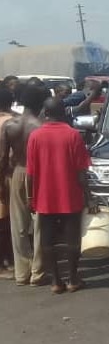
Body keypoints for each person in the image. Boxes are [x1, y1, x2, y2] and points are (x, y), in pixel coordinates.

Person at [27, 97, 97, 294]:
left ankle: (56, 282)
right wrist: (89, 196)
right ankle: (73, 279)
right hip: (70, 195)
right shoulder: (73, 135)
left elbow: (31, 173)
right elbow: (81, 172)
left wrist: (31, 198)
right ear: (63, 113)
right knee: (72, 238)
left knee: (47, 239)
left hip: (44, 196)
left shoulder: (35, 136)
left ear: (45, 113)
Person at [0, 85, 48, 286]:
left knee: (18, 225)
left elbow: (2, 158)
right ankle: (37, 272)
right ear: (40, 104)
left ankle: (21, 273)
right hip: (39, 174)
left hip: (17, 172)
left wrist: (2, 182)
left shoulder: (9, 125)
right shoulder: (42, 127)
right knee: (40, 225)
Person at [0, 89, 16, 279]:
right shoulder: (11, 122)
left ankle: (6, 260)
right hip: (7, 173)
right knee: (6, 221)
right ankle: (5, 262)